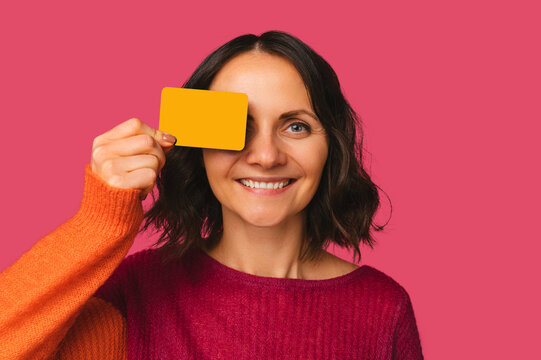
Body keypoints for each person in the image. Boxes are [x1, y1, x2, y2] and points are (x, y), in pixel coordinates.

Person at [0, 31, 423, 359]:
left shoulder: (384, 309)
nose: (265, 156)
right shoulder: (134, 296)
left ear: (331, 145)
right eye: (239, 126)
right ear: (198, 145)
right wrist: (100, 221)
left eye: (295, 126)